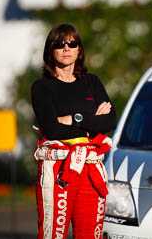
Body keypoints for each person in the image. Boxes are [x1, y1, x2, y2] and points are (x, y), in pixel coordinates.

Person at [31, 23, 117, 239]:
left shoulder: (92, 82)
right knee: (53, 234)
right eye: (60, 44)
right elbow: (52, 129)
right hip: (59, 167)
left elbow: (109, 122)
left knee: (90, 234)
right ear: (50, 50)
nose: (66, 48)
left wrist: (73, 119)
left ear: (79, 50)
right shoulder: (41, 87)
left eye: (72, 43)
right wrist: (91, 123)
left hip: (91, 168)